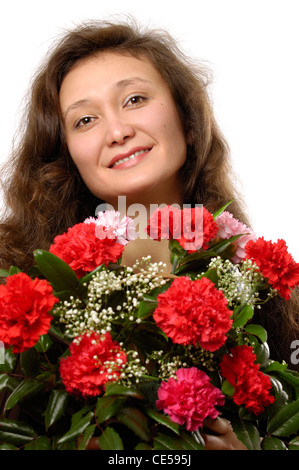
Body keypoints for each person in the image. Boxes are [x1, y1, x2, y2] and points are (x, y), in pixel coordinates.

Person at [0, 19, 298, 449]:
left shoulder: (265, 287)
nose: (117, 131)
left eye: (135, 99)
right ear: (65, 158)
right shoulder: (18, 282)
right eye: (85, 119)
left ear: (188, 122)